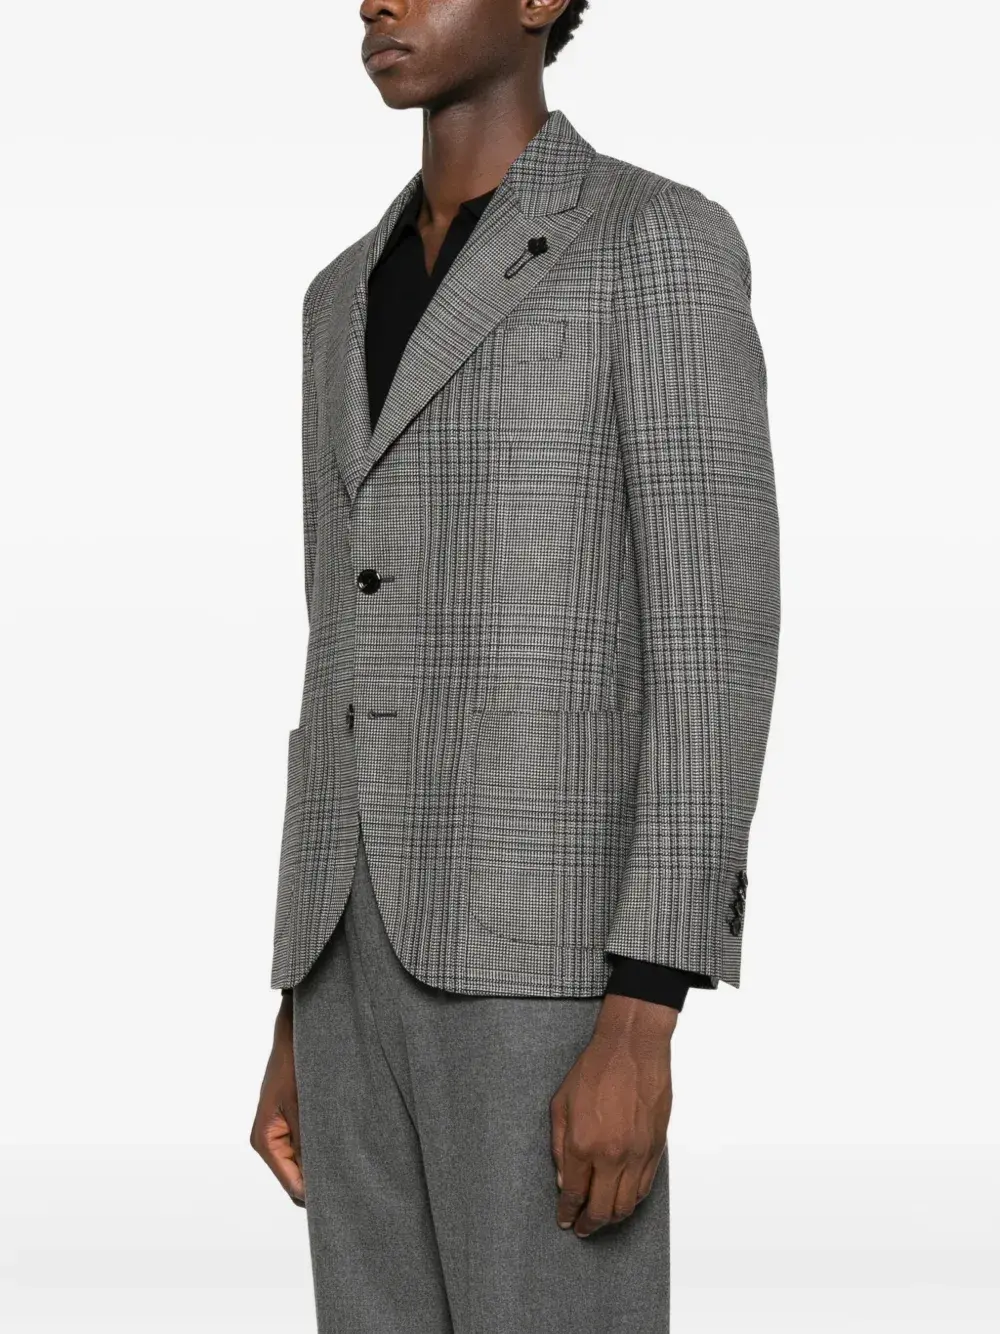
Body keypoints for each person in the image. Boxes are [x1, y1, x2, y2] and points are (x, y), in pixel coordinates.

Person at [250, 2, 780, 1329]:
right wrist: (299, 997)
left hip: (548, 952)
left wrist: (645, 1010)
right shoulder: (336, 296)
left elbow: (712, 636)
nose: (378, 0)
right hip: (349, 952)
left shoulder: (653, 242)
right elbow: (340, 632)